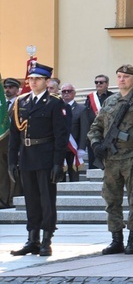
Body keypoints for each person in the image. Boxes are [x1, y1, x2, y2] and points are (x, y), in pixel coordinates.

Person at [87, 65, 133, 256]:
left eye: (126, 76)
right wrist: (96, 145)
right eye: (119, 76)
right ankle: (116, 239)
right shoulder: (109, 102)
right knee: (111, 200)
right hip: (111, 160)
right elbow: (95, 127)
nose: (122, 79)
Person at [8, 63, 68, 256]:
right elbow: (15, 135)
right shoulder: (22, 102)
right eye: (31, 79)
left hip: (46, 156)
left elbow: (61, 136)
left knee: (47, 200)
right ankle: (32, 239)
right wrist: (11, 160)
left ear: (46, 81)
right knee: (31, 200)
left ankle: (46, 240)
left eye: (38, 79)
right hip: (26, 156)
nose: (33, 82)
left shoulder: (55, 103)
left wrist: (58, 163)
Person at [82, 74, 114, 169]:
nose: (98, 84)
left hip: (108, 134)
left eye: (101, 82)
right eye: (96, 82)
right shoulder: (90, 98)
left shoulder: (113, 97)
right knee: (93, 163)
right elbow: (86, 116)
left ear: (107, 84)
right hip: (94, 134)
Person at [1, 77, 22, 208]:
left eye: (11, 87)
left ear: (17, 90)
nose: (7, 90)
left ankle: (13, 198)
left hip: (15, 143)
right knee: (2, 172)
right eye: (6, 87)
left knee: (14, 171)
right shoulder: (2, 105)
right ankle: (3, 199)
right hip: (2, 142)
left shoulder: (20, 104)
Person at [61, 83, 86, 182]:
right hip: (60, 147)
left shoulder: (81, 109)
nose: (66, 93)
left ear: (74, 93)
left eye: (69, 91)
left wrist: (81, 148)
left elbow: (84, 130)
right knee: (60, 175)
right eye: (64, 91)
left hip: (73, 148)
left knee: (74, 176)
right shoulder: (57, 108)